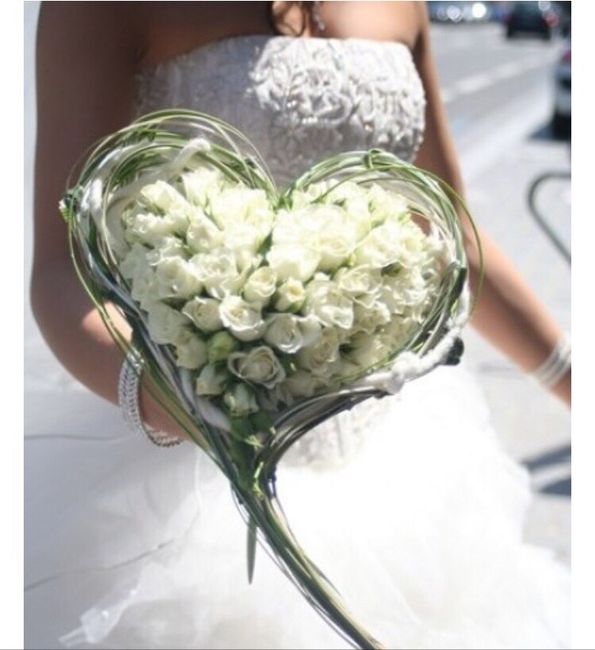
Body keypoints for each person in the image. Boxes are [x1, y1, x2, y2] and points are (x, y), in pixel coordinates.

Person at [27, 2, 570, 648]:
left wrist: (573, 382)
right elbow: (62, 269)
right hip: (193, 474)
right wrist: (189, 407)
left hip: (398, 466)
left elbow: (450, 239)